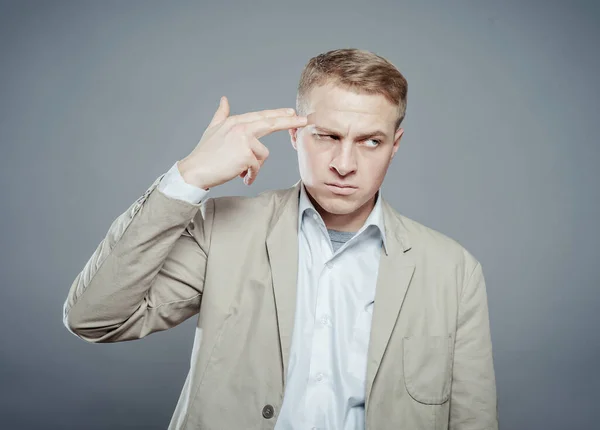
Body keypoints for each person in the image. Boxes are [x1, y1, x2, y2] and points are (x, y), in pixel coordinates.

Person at [62, 48, 498, 429]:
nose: (344, 163)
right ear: (294, 134)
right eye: (327, 136)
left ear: (395, 144)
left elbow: (472, 419)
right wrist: (189, 177)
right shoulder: (222, 228)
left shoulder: (453, 271)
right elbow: (94, 319)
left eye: (370, 141)